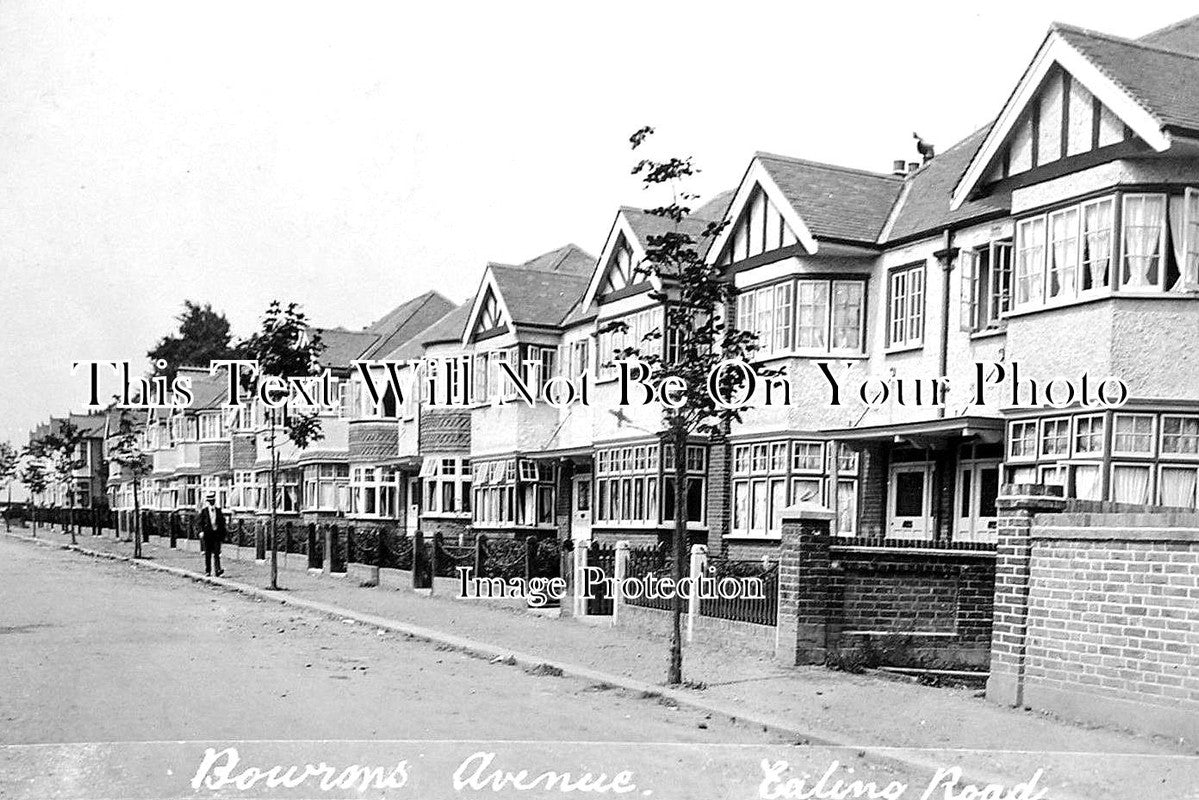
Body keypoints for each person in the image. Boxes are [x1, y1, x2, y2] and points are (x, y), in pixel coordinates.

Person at [198, 491, 226, 577]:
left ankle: (217, 570)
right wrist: (201, 531)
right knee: (208, 553)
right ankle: (208, 571)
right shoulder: (204, 511)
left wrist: (222, 534)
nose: (211, 502)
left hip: (216, 534)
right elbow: (200, 522)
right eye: (210, 501)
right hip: (208, 534)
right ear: (208, 502)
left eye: (213, 500)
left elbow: (222, 522)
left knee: (217, 553)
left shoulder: (218, 510)